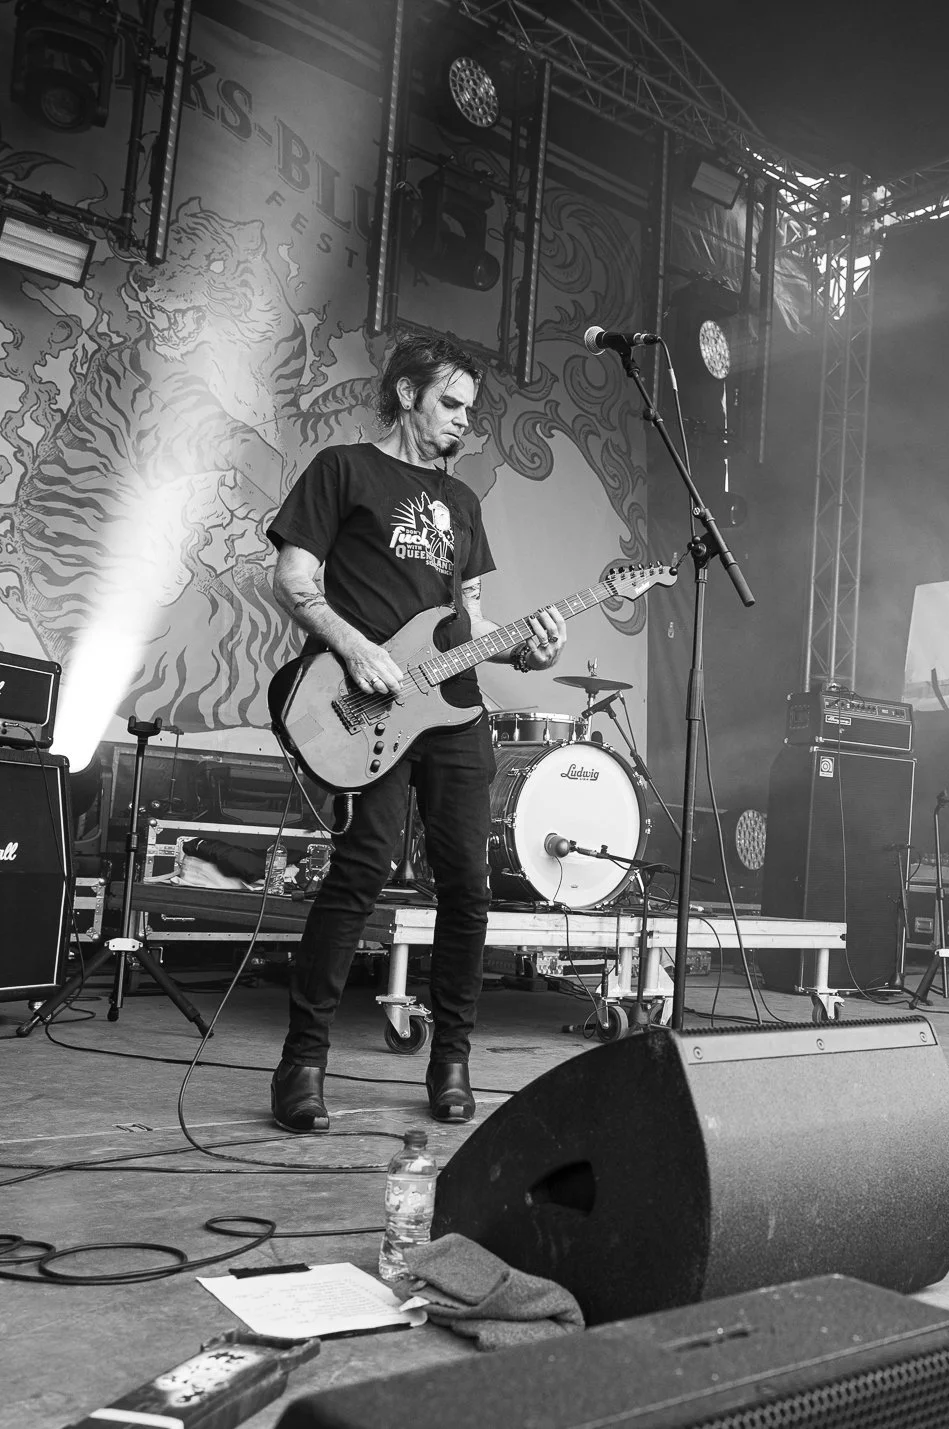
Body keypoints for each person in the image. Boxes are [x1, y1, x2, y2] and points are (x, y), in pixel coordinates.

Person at [265, 333, 568, 1134]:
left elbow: (470, 618)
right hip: (369, 700)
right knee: (360, 869)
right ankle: (302, 1062)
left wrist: (527, 647)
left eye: (471, 408)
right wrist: (355, 647)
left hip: (453, 708)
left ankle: (452, 1060)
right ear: (406, 393)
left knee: (469, 884)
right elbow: (292, 579)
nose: (465, 420)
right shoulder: (342, 469)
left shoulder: (461, 502)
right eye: (452, 403)